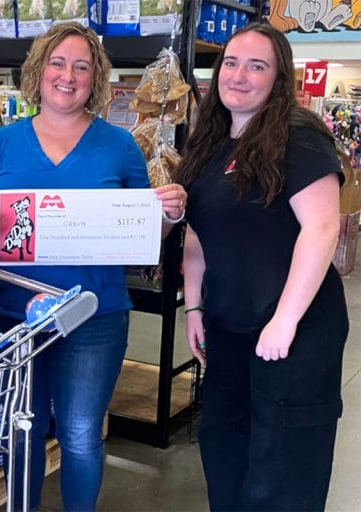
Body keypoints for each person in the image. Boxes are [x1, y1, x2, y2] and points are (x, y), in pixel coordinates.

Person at [0, 22, 187, 511]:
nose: (68, 76)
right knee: (20, 430)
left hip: (95, 317)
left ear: (96, 78)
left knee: (82, 433)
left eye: (82, 67)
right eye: (58, 63)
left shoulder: (119, 146)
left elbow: (140, 237)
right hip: (14, 319)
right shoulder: (3, 144)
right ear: (38, 71)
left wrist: (167, 217)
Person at [172, 22, 349, 511]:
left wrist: (284, 320)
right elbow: (198, 235)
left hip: (295, 328)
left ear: (279, 78)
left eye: (257, 66)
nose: (240, 75)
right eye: (231, 62)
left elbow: (321, 229)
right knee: (224, 449)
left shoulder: (299, 135)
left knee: (283, 465)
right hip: (228, 325)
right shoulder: (209, 141)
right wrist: (194, 309)